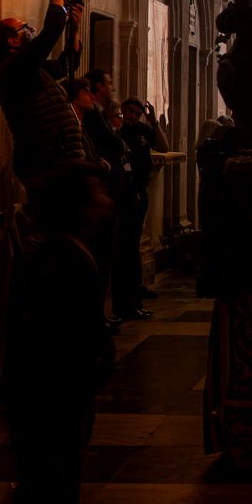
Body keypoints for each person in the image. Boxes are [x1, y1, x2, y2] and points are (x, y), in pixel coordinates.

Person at [0, 162, 115, 504]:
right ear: (78, 206)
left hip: (40, 396)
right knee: (52, 493)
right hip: (51, 399)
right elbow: (53, 336)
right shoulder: (65, 260)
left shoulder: (54, 250)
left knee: (41, 488)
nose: (107, 200)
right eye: (97, 193)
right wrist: (86, 373)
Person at [0, 0, 90, 206]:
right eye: (25, 28)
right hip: (45, 163)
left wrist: (74, 29)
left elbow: (67, 65)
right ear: (13, 41)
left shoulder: (31, 68)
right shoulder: (13, 69)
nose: (32, 30)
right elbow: (48, 35)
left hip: (59, 159)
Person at [80, 69, 144, 321]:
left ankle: (114, 309)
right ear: (95, 88)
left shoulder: (99, 116)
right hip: (104, 193)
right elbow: (111, 144)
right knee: (105, 257)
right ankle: (99, 314)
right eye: (107, 83)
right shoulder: (94, 117)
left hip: (117, 193)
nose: (112, 86)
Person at [117, 98, 166, 305]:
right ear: (122, 111)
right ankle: (128, 292)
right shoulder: (116, 132)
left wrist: (153, 122)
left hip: (139, 191)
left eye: (137, 114)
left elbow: (163, 146)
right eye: (130, 112)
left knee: (134, 240)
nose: (133, 117)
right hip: (123, 193)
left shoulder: (144, 130)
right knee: (125, 243)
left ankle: (135, 287)